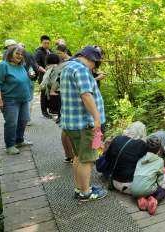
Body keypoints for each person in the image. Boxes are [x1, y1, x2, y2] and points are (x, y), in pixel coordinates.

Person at [59, 45, 107, 201]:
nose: (95, 67)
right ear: (91, 59)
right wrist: (97, 119)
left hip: (71, 123)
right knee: (87, 159)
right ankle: (86, 193)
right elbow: (86, 95)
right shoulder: (81, 70)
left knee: (78, 157)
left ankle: (80, 188)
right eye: (96, 63)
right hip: (84, 123)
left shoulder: (68, 67)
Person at [0, 45, 33, 155]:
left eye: (21, 54)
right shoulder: (3, 65)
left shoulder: (21, 66)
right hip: (10, 100)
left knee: (23, 120)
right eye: (17, 53)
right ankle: (10, 145)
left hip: (23, 99)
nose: (19, 56)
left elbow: (25, 80)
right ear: (10, 54)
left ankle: (19, 140)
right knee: (11, 123)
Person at [103, 121, 148, 194]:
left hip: (111, 179)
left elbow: (107, 158)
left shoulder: (117, 138)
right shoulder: (142, 145)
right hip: (129, 185)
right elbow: (144, 166)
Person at [131, 136, 165, 215]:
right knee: (163, 191)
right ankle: (154, 200)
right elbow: (160, 180)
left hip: (133, 190)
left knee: (145, 186)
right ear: (159, 149)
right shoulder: (160, 160)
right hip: (147, 190)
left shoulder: (141, 157)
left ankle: (141, 198)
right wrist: (159, 185)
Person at [34, 35, 52, 118]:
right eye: (45, 43)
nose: (46, 44)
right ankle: (44, 112)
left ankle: (50, 109)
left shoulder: (50, 51)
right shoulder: (38, 52)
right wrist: (45, 71)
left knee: (50, 93)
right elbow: (36, 64)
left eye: (48, 43)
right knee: (44, 93)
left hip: (51, 75)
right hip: (43, 76)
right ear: (41, 43)